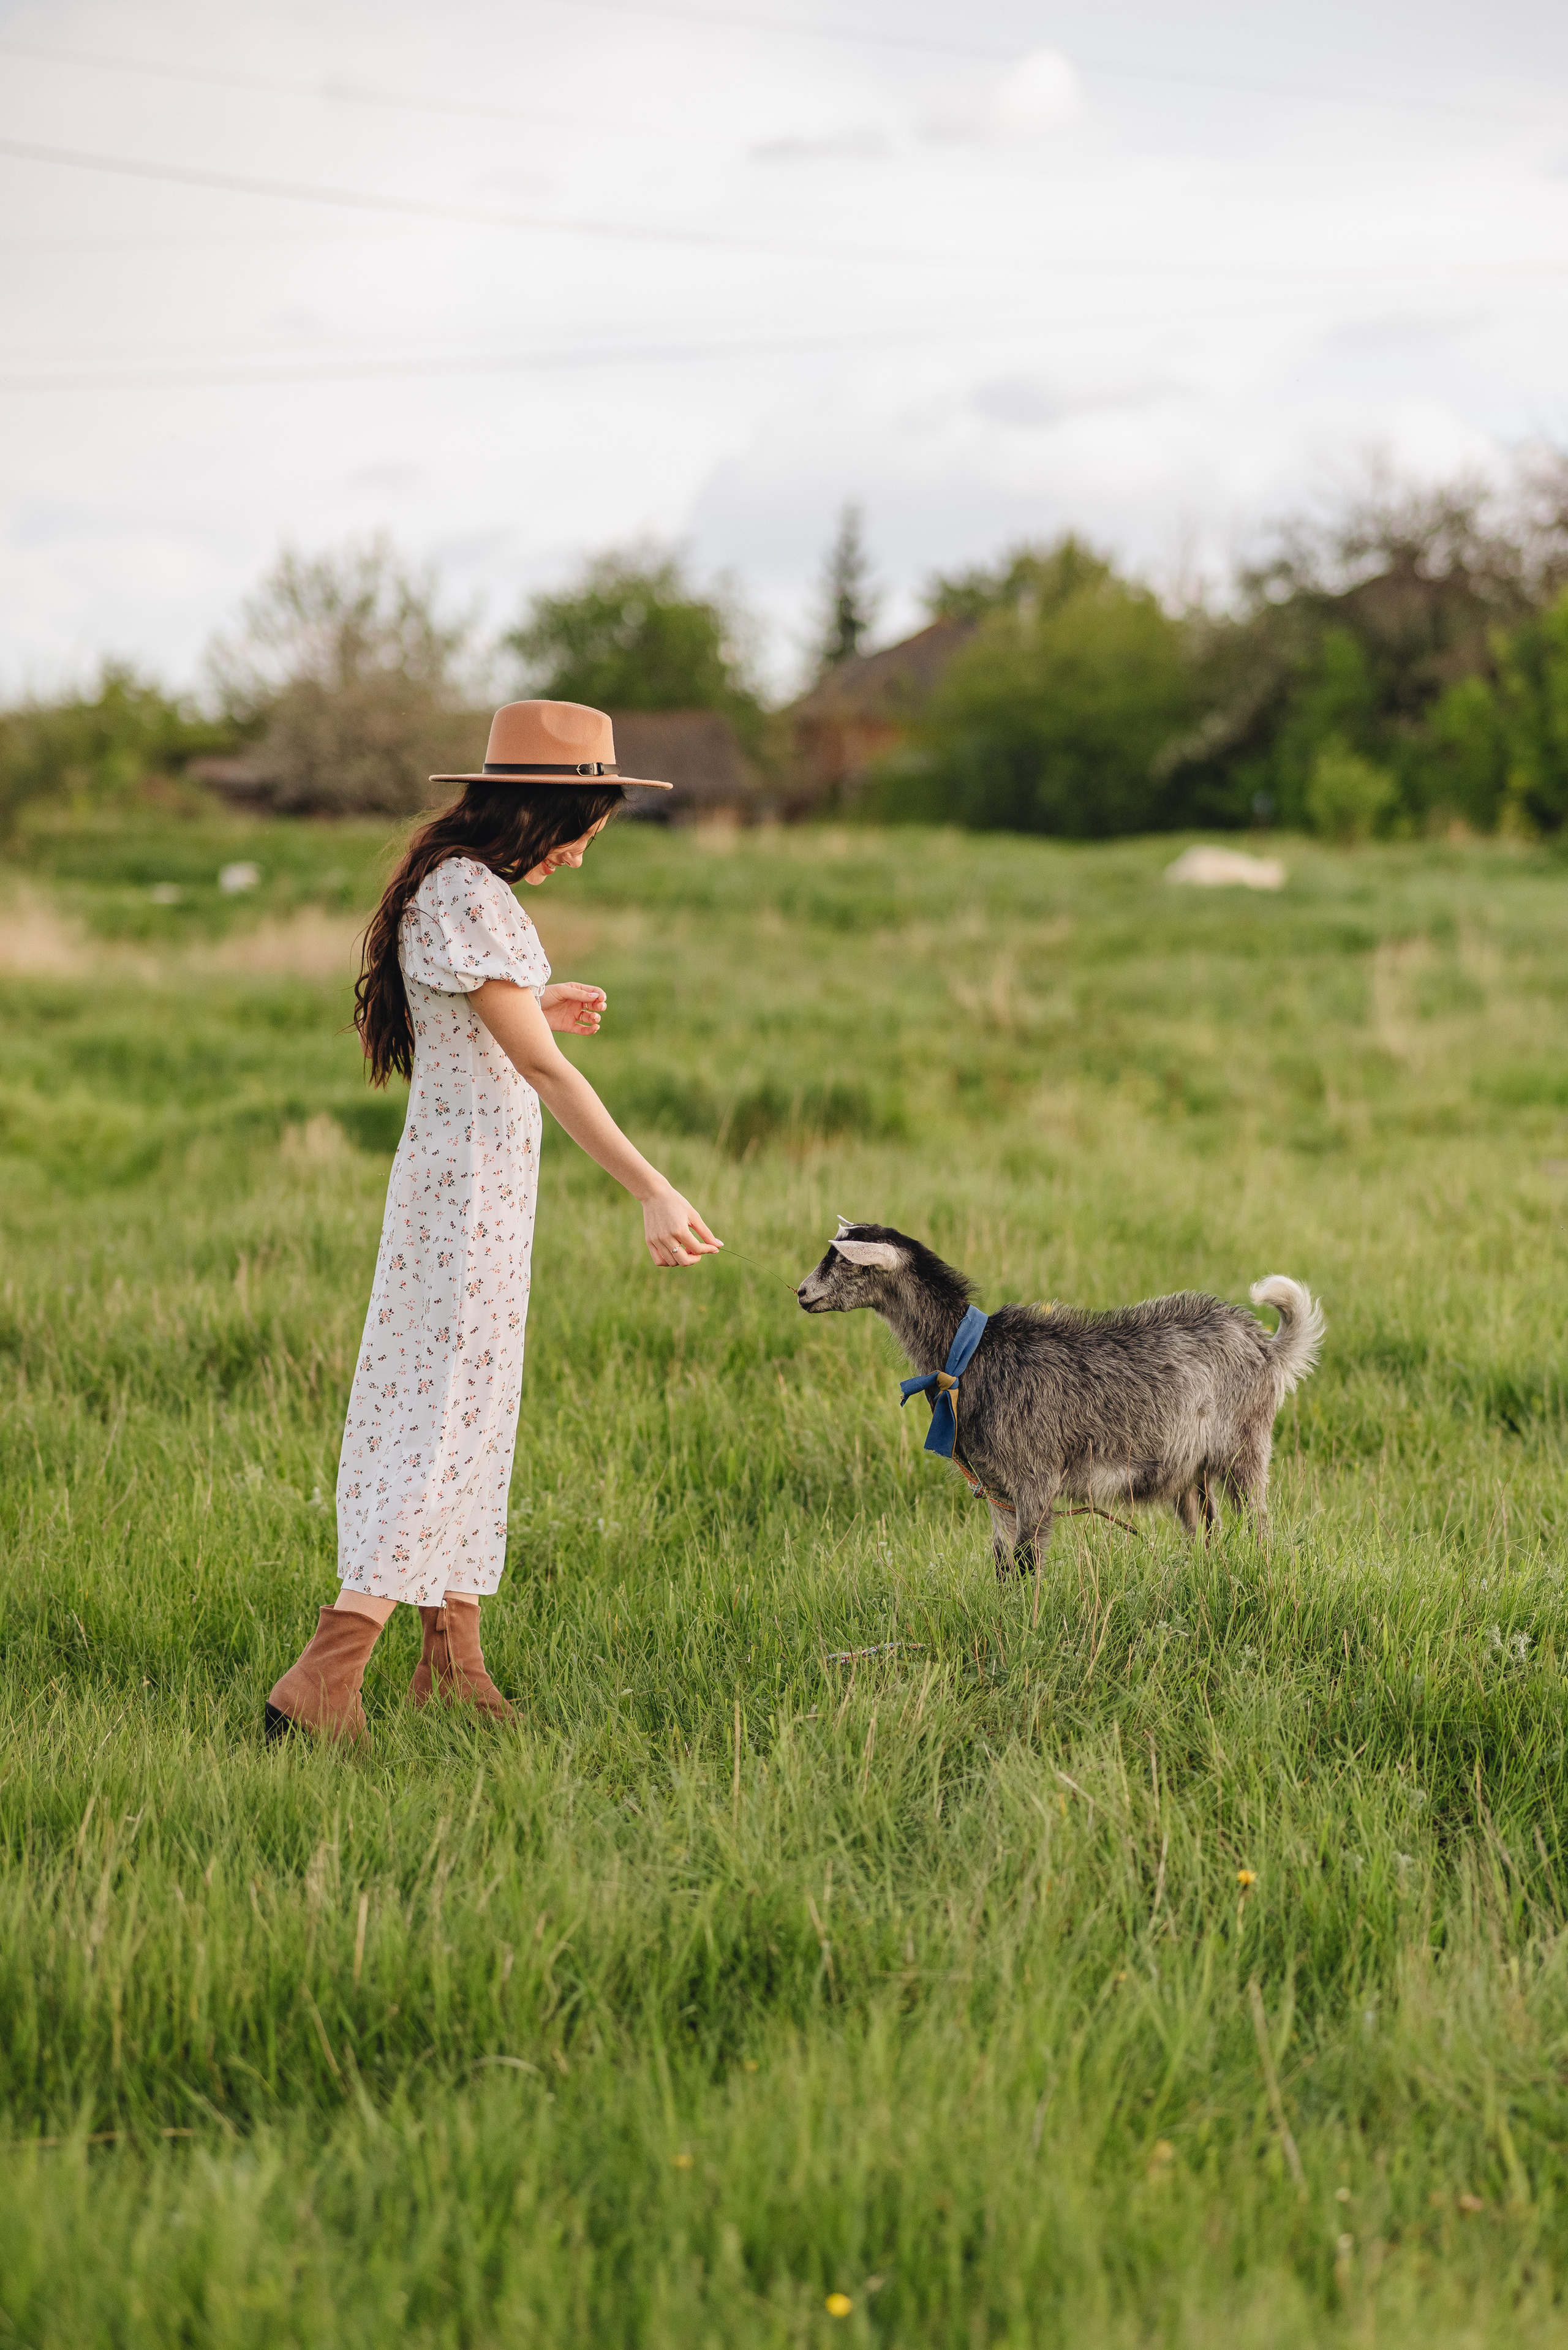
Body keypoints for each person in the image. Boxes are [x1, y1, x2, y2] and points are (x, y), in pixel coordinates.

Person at [265, 700, 721, 1742]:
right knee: (435, 1424)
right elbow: (543, 1071)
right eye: (580, 834)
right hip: (466, 1203)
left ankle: (452, 1658)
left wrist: (537, 997)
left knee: (469, 1414)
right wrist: (652, 1184)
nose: (576, 857)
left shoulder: (456, 888)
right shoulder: (474, 895)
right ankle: (326, 1672)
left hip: (466, 1193)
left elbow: (487, 1024)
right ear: (534, 812)